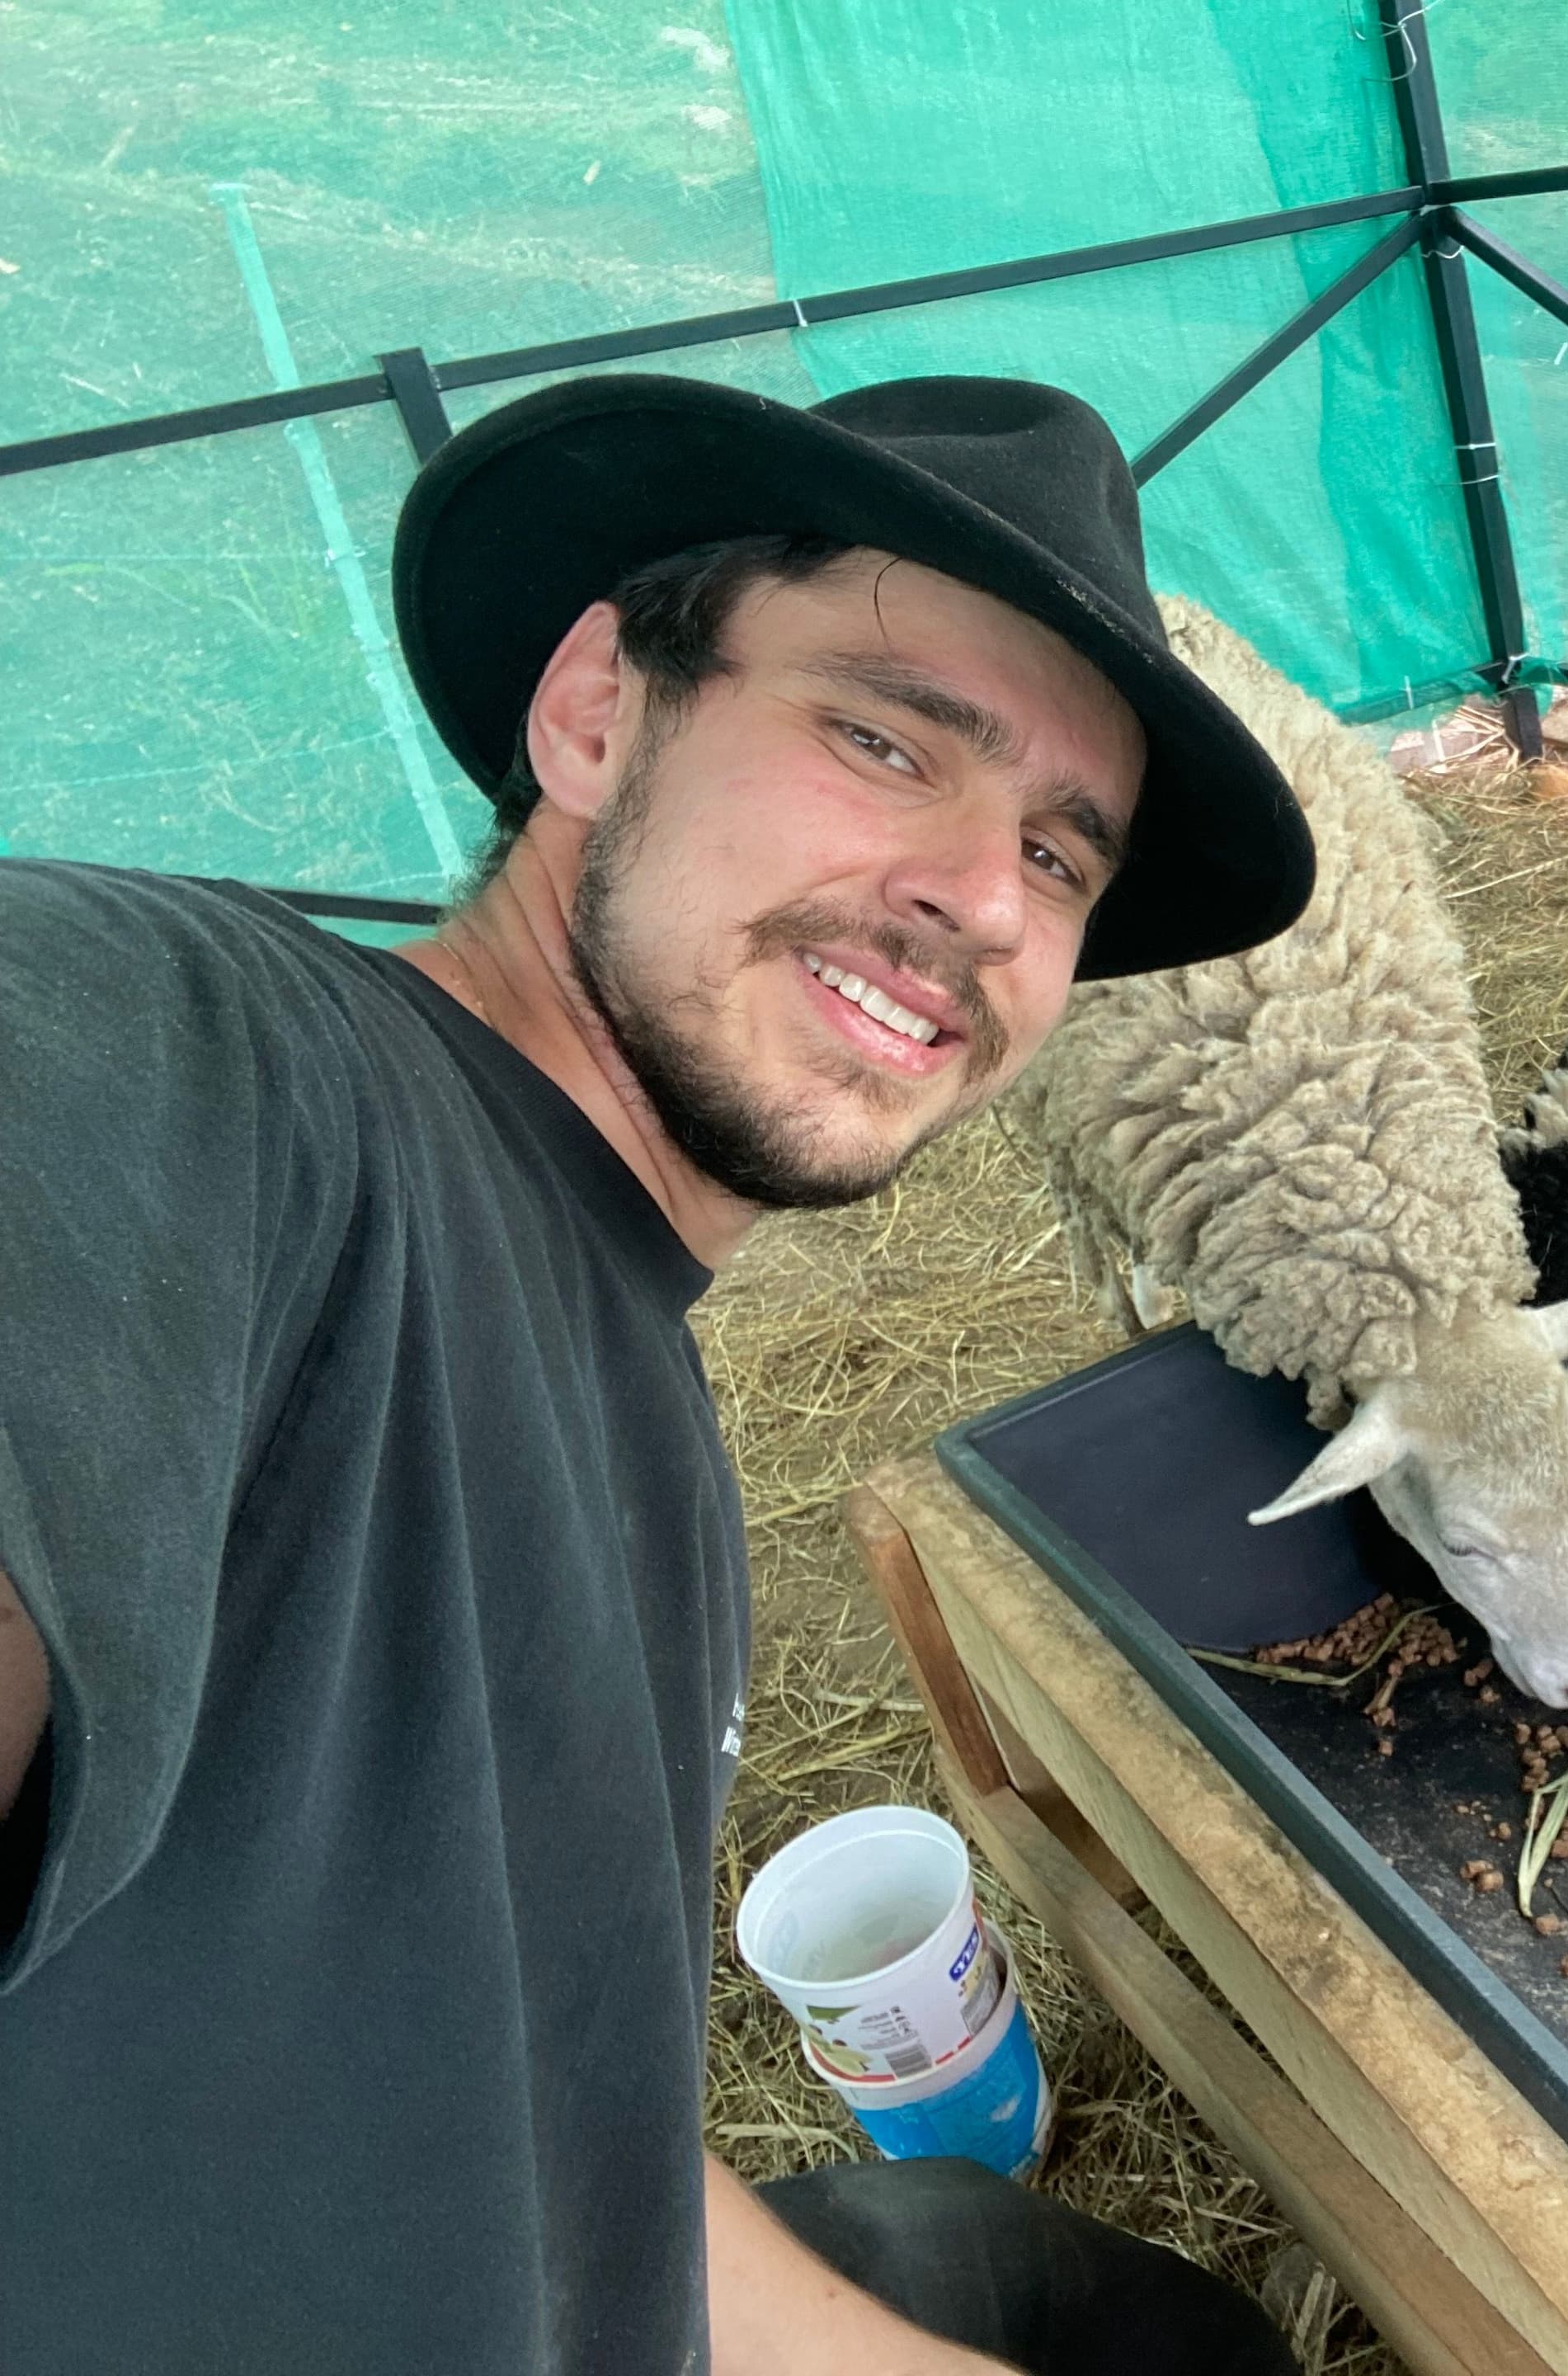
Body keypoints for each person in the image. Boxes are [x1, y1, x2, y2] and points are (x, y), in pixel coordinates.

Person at [0, 373, 1317, 2374]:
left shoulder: (645, 1429)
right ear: (599, 714)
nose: (981, 896)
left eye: (1062, 857)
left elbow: (548, 2135)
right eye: (886, 739)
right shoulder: (201, 1063)